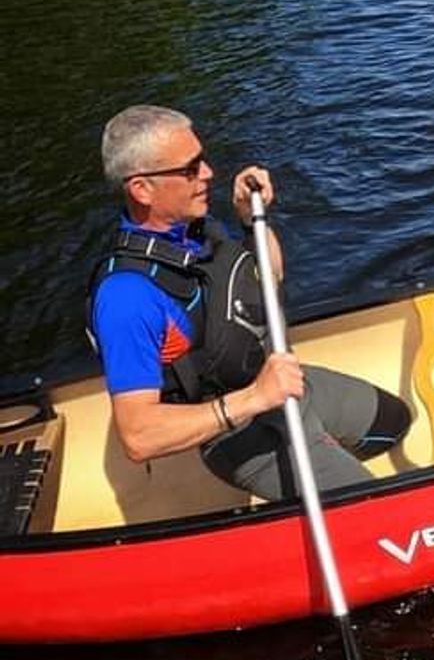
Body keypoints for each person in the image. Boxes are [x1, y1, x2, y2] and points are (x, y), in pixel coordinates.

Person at [88, 105, 411, 500]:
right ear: (142, 189)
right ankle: (321, 488)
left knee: (394, 423)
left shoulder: (195, 231)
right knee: (372, 510)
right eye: (190, 169)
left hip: (281, 388)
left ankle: (321, 465)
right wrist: (255, 398)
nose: (208, 173)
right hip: (237, 432)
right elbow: (139, 437)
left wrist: (250, 218)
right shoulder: (126, 297)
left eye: (203, 160)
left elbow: (270, 279)